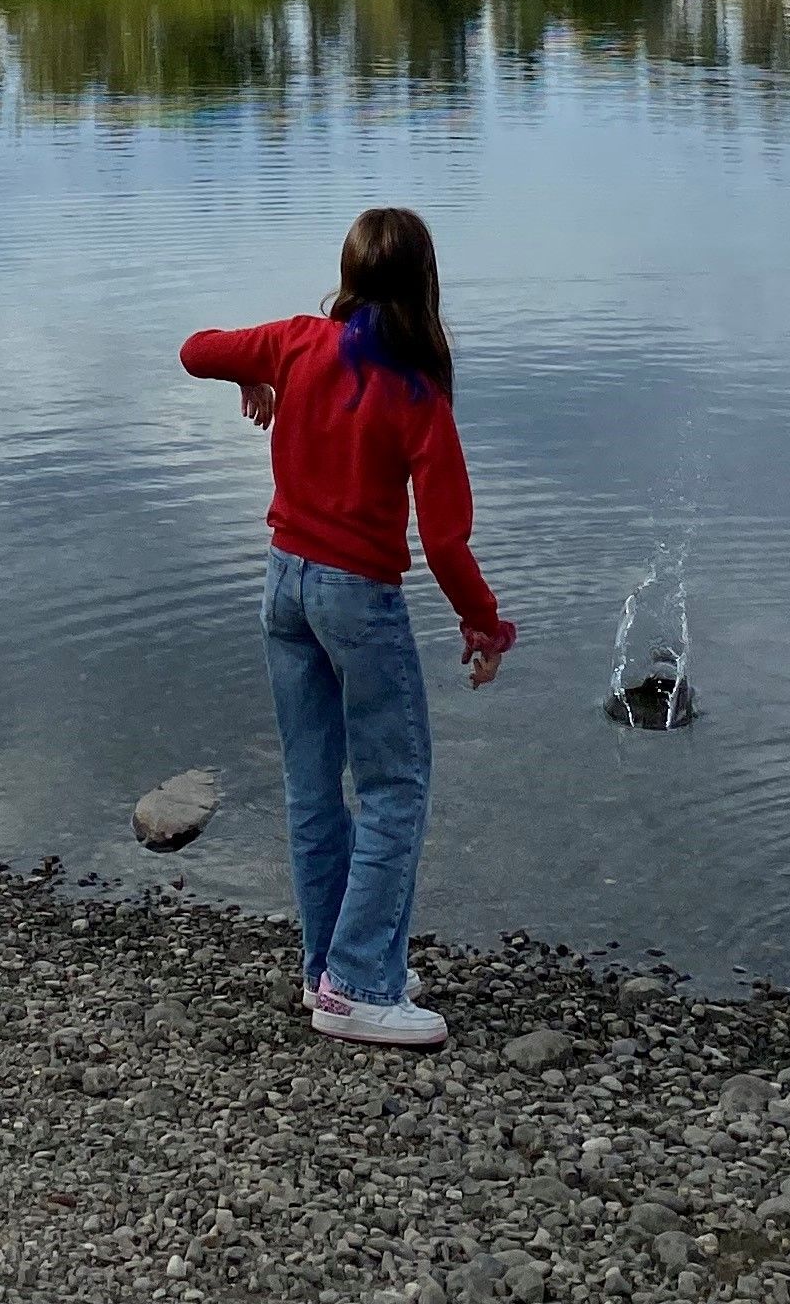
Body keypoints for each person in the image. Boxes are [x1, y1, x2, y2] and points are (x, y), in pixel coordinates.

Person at [181, 206, 515, 1050]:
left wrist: (250, 375)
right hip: (357, 599)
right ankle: (360, 984)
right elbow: (443, 538)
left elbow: (196, 348)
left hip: (283, 587)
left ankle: (324, 967)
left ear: (351, 274)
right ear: (423, 286)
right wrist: (484, 624)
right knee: (395, 788)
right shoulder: (415, 389)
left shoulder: (296, 342)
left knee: (312, 788)